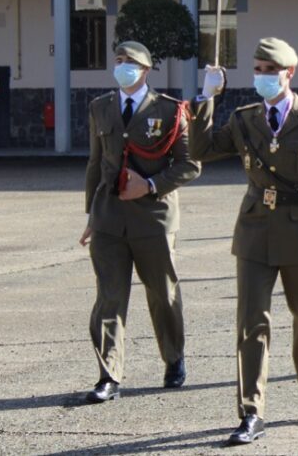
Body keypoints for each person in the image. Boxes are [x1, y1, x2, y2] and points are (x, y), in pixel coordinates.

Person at [190, 38, 298, 445]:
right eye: (257, 69)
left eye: (270, 70)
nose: (262, 76)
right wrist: (206, 98)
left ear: (289, 73)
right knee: (251, 324)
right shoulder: (245, 119)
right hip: (255, 232)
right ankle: (251, 411)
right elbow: (200, 150)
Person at [80, 41, 201, 404]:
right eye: (118, 61)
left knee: (163, 294)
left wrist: (149, 185)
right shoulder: (100, 107)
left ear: (146, 69)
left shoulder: (168, 109)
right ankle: (109, 374)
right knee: (109, 298)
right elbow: (95, 164)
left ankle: (173, 357)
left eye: (129, 62)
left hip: (154, 218)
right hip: (108, 220)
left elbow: (190, 164)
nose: (122, 67)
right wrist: (90, 214)